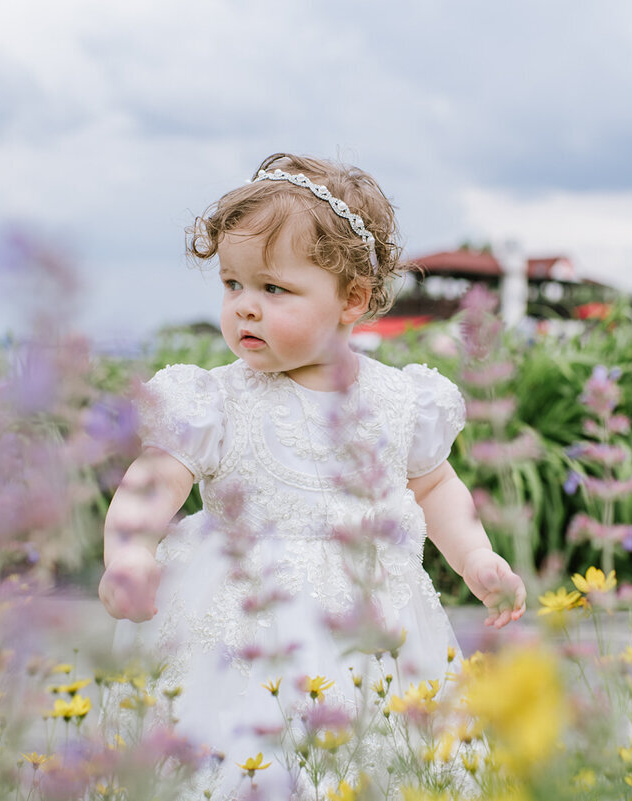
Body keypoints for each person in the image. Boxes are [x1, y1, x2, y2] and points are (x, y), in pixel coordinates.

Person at [98, 152, 526, 797]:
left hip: (375, 621)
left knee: (380, 757)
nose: (245, 307)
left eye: (274, 289)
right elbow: (156, 480)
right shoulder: (216, 399)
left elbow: (434, 486)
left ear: (352, 300)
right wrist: (127, 553)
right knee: (246, 761)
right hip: (246, 622)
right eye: (232, 285)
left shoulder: (401, 400)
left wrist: (477, 558)